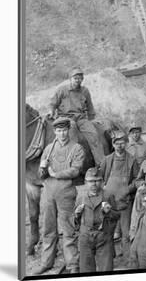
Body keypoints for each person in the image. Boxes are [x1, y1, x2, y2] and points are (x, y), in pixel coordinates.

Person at [33, 117, 85, 275]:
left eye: (64, 130)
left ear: (68, 130)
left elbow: (76, 170)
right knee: (48, 230)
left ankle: (72, 264)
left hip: (66, 193)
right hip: (49, 194)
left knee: (69, 230)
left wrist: (56, 173)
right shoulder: (48, 149)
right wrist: (42, 170)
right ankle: (46, 262)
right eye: (59, 130)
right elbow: (41, 175)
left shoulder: (76, 148)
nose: (62, 134)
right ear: (55, 131)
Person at [49, 67, 102, 164]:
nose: (78, 80)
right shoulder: (62, 90)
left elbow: (90, 106)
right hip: (66, 118)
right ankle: (71, 164)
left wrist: (92, 119)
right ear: (70, 79)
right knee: (72, 135)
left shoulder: (85, 91)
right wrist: (51, 111)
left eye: (80, 78)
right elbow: (53, 103)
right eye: (75, 78)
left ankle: (101, 164)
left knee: (94, 135)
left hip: (81, 119)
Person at [99, 131, 139, 259]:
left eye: (122, 143)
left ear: (126, 143)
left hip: (124, 201)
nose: (120, 146)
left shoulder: (132, 160)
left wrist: (127, 190)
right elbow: (100, 178)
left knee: (126, 233)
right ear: (113, 144)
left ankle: (128, 260)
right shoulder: (107, 160)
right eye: (117, 143)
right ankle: (110, 257)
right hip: (109, 202)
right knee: (108, 231)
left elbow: (137, 180)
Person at [74, 167, 120, 273]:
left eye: (97, 180)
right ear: (85, 182)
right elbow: (75, 220)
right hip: (85, 237)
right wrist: (76, 214)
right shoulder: (81, 196)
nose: (94, 184)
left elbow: (117, 216)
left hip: (103, 236)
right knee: (86, 269)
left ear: (103, 182)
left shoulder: (108, 195)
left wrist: (109, 212)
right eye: (91, 181)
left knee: (106, 269)